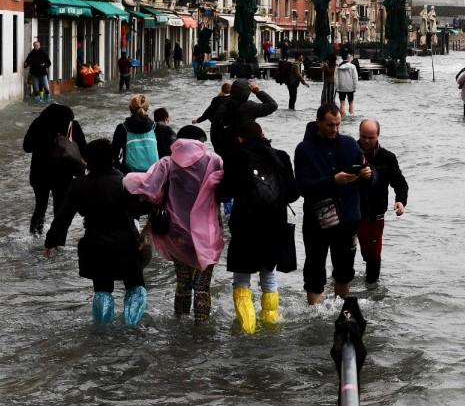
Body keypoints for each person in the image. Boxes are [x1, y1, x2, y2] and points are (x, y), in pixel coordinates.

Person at [124, 126, 224, 324]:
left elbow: (149, 188)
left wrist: (123, 179)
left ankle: (180, 323)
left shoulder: (167, 163)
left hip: (176, 234)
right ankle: (201, 327)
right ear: (201, 141)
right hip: (207, 234)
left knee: (183, 281)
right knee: (202, 285)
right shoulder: (214, 160)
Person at [45, 139, 147, 326]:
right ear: (113, 159)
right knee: (135, 286)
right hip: (126, 245)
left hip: (95, 244)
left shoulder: (78, 186)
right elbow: (141, 209)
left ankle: (101, 333)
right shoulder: (125, 182)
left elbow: (63, 216)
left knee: (102, 290)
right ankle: (132, 327)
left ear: (87, 160)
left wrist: (51, 240)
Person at [218, 121, 298, 333]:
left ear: (240, 138)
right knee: (269, 277)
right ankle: (271, 327)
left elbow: (224, 194)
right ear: (263, 134)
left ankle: (248, 331)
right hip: (275, 225)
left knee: (242, 280)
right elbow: (293, 194)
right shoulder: (280, 156)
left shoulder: (236, 157)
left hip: (246, 226)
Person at [295, 104, 375, 305]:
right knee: (314, 272)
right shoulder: (304, 149)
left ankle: (342, 311)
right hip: (317, 222)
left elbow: (368, 172)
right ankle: (314, 317)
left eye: (338, 124)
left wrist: (369, 174)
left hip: (347, 219)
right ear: (318, 122)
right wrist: (332, 181)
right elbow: (302, 187)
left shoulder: (349, 144)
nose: (334, 129)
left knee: (344, 271)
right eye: (330, 125)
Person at [356, 119, 408, 284]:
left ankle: (372, 292)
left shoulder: (387, 157)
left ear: (378, 136)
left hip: (375, 214)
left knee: (373, 255)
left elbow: (400, 182)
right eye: (363, 136)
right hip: (349, 212)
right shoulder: (348, 152)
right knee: (343, 255)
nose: (366, 141)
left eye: (370, 137)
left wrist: (400, 201)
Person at [24, 103, 87, 235]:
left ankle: (34, 237)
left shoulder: (38, 123)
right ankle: (56, 241)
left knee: (40, 207)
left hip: (39, 174)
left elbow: (27, 147)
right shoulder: (72, 126)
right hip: (63, 175)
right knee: (60, 209)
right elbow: (84, 150)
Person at [210, 80, 279, 159]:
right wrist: (258, 92)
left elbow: (214, 130)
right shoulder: (250, 107)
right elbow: (273, 105)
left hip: (226, 150)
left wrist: (219, 150)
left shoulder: (222, 106)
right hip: (248, 150)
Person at [112, 94, 159, 174]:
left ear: (130, 108)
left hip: (129, 174)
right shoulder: (157, 128)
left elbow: (113, 155)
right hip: (153, 174)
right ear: (147, 108)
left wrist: (120, 170)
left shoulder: (122, 128)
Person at [336, 53, 359, 119]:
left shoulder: (338, 66)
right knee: (351, 103)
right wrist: (355, 87)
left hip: (341, 87)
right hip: (350, 87)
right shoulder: (352, 66)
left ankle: (342, 118)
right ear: (348, 57)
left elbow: (336, 78)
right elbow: (355, 78)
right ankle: (352, 116)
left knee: (342, 103)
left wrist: (337, 87)